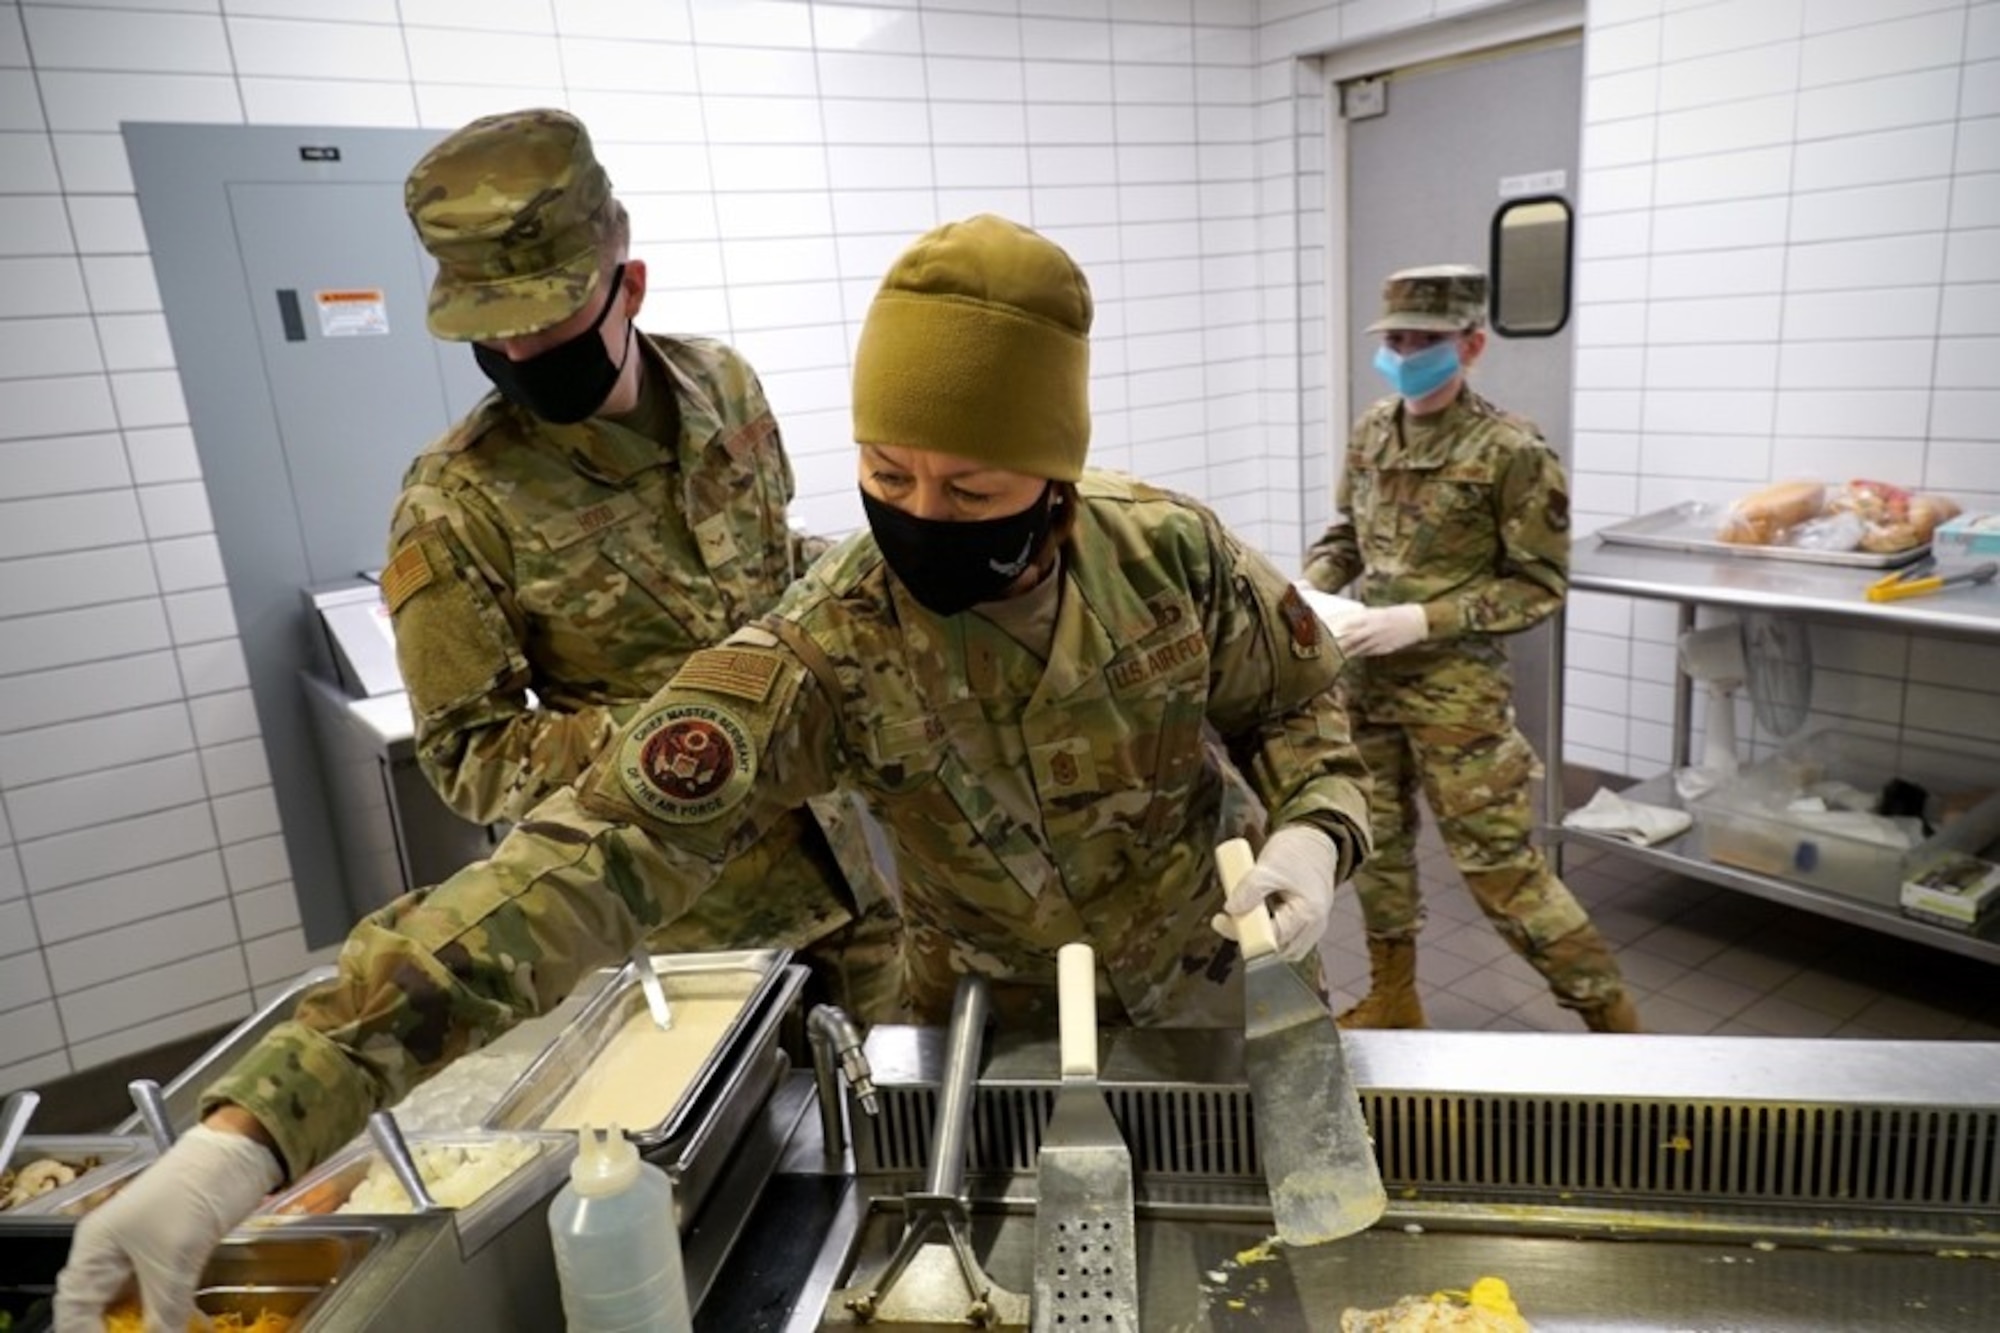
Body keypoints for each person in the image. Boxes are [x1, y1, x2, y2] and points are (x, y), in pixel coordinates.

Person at [55, 215, 1374, 1332]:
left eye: (971, 491)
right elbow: (579, 863)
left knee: (1267, 1276)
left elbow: (1303, 694)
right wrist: (255, 1130)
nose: (921, 517)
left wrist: (1316, 832)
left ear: (1059, 476)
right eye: (884, 472)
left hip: (1224, 997)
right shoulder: (823, 648)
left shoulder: (1172, 557)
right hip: (990, 1030)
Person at [387, 108, 900, 1021]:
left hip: (843, 874)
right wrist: (697, 731)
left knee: (910, 1127)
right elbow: (471, 755)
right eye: (488, 331)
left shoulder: (723, 386)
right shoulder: (456, 501)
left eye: (544, 321)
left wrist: (878, 574)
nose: (516, 354)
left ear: (630, 286)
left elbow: (769, 557)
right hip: (680, 935)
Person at [1303, 263, 1640, 1034]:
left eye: (1427, 339)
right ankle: (1395, 997)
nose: (1407, 351)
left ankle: (1617, 1025)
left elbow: (1540, 584)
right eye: (1396, 338)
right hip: (1365, 680)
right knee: (1376, 848)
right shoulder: (1372, 429)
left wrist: (1423, 619)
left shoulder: (1510, 449)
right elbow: (1346, 537)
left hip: (1458, 696)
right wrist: (1310, 584)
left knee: (1501, 869)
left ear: (1472, 345)